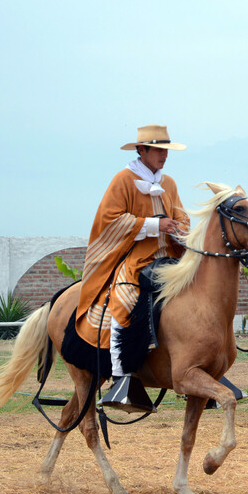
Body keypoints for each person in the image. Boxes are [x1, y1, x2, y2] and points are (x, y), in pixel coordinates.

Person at [75, 124, 190, 412]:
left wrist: (181, 230)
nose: (164, 156)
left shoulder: (170, 184)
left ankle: (200, 369)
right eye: (158, 150)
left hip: (169, 259)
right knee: (124, 301)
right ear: (142, 150)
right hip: (135, 259)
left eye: (166, 150)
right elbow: (109, 221)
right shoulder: (123, 180)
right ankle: (121, 376)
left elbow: (182, 217)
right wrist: (153, 225)